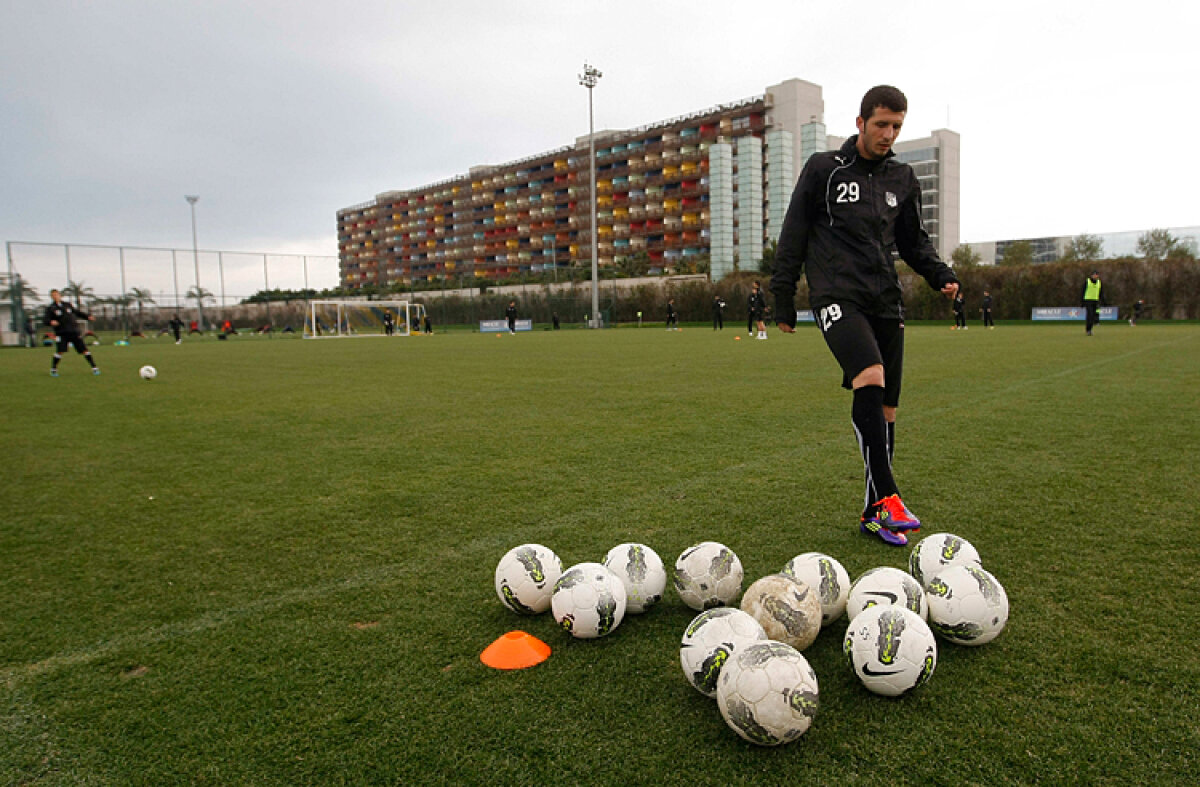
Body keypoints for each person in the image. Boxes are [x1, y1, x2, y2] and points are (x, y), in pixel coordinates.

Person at [771, 85, 960, 547]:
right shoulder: (824, 170)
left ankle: (873, 514)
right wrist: (782, 296)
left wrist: (939, 274)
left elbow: (914, 242)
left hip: (886, 300)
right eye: (881, 125)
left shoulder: (903, 178)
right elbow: (793, 232)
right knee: (869, 376)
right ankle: (888, 496)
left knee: (888, 407)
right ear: (860, 123)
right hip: (837, 294)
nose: (888, 134)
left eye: (896, 126)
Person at [43, 288, 100, 376]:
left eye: (56, 295)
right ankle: (53, 369)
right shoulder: (50, 308)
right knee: (60, 351)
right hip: (61, 333)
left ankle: (94, 368)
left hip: (74, 332)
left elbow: (77, 312)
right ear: (51, 297)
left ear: (60, 295)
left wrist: (88, 316)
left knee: (84, 350)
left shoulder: (67, 305)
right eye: (53, 295)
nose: (55, 296)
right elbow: (45, 320)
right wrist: (51, 322)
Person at [1081, 270, 1104, 336]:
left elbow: (1101, 292)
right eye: (1094, 275)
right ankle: (1088, 330)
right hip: (1088, 300)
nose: (1095, 276)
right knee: (1090, 315)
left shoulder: (1099, 282)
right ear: (1091, 275)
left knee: (1093, 316)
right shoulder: (1087, 281)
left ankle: (1090, 329)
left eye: (1096, 275)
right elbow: (1083, 291)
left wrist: (1103, 301)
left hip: (1095, 301)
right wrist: (1082, 302)